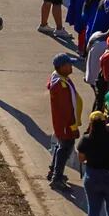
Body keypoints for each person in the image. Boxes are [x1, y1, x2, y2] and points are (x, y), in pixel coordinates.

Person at [48, 52, 83, 191]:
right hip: (66, 125)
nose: (72, 67)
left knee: (61, 146)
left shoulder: (59, 78)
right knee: (65, 148)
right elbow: (65, 110)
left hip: (64, 124)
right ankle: (57, 178)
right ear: (62, 67)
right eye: (69, 65)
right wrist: (72, 126)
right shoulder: (60, 85)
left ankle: (53, 171)